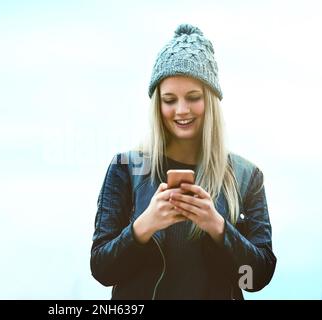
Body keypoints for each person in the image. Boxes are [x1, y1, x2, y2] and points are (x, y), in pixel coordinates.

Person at [90, 23, 276, 299]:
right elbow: (103, 270)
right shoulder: (126, 168)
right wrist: (144, 226)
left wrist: (217, 226)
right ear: (158, 104)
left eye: (193, 97)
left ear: (210, 101)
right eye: (169, 99)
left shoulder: (246, 175)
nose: (181, 110)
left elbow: (255, 278)